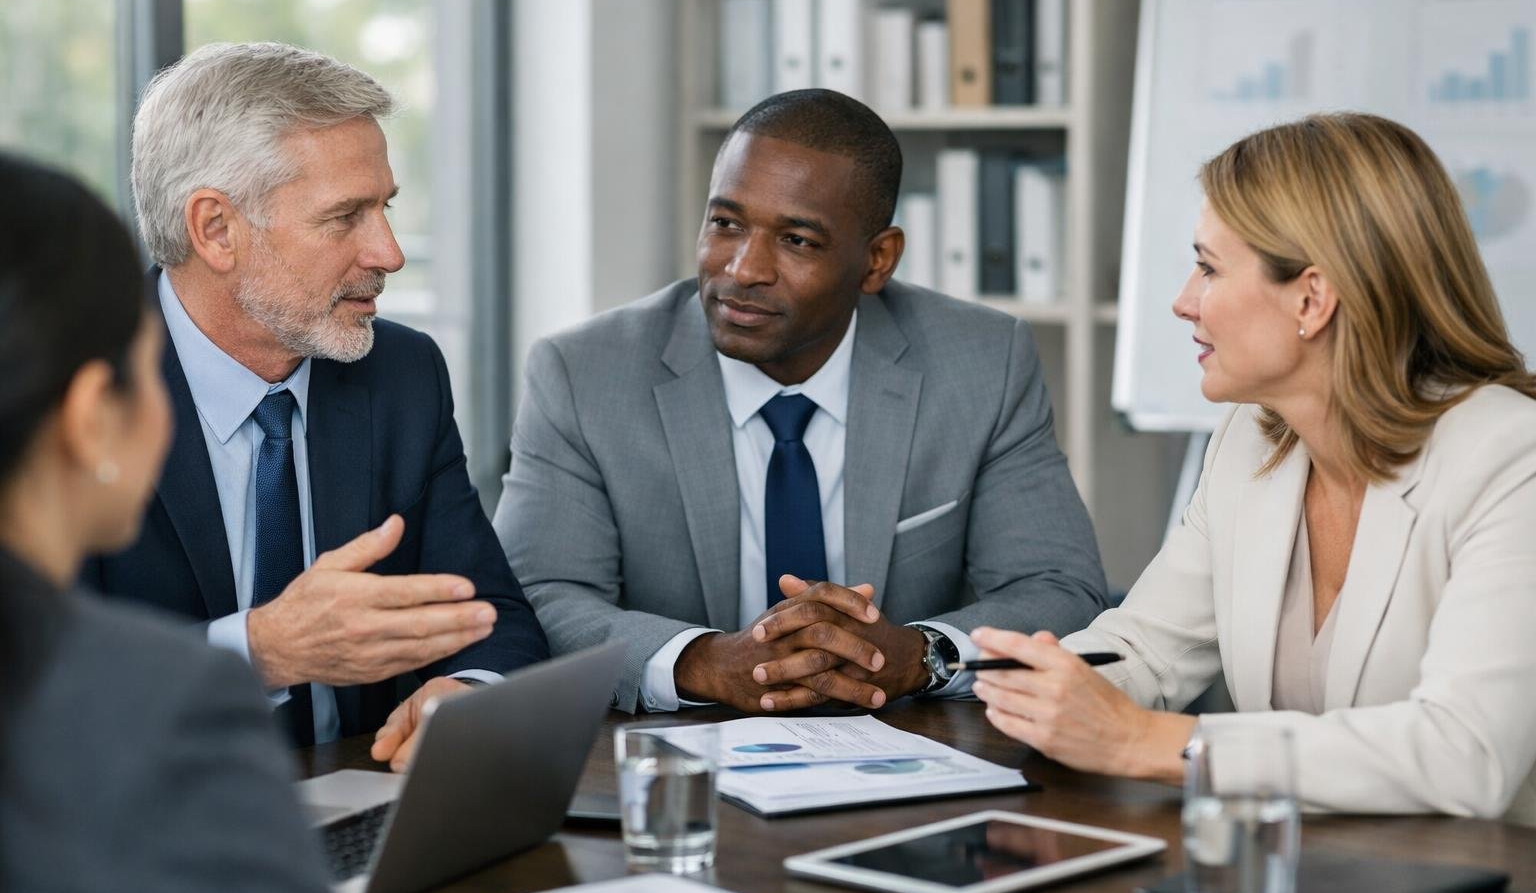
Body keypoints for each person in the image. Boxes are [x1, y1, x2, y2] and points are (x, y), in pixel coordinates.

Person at [0, 153, 503, 893]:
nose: (388, 252)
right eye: (146, 367)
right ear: (91, 418)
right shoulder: (150, 697)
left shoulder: (400, 374)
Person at [971, 113, 1536, 825]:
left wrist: (1146, 742)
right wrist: (1003, 678)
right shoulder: (1252, 441)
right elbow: (1143, 650)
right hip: (1293, 868)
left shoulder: (1511, 457)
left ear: (1311, 299)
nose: (1183, 301)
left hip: (1485, 882)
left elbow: (1465, 756)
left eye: (1209, 268)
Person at [495, 89, 1107, 714]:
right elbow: (539, 594)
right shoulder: (584, 373)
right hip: (675, 751)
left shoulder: (983, 362)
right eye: (726, 224)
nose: (743, 269)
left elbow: (1058, 586)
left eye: (797, 240)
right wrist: (700, 662)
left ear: (877, 260)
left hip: (908, 744)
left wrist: (917, 655)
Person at [83, 42, 548, 763]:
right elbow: (36, 680)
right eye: (344, 217)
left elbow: (489, 616)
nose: (390, 253)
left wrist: (468, 691)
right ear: (216, 230)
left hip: (364, 789)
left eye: (385, 208)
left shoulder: (402, 373)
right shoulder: (66, 391)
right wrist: (262, 651)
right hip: (139, 808)